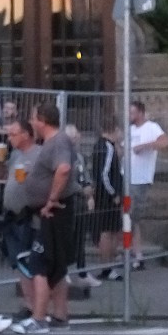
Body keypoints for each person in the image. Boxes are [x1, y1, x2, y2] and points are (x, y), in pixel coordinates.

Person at [11, 102, 78, 335]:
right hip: (52, 211)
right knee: (57, 264)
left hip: (54, 210)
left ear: (42, 120)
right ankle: (60, 316)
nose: (31, 122)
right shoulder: (52, 142)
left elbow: (63, 169)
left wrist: (51, 199)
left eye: (33, 118)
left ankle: (39, 318)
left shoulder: (58, 141)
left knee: (39, 263)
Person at [1, 118, 40, 316]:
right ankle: (28, 303)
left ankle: (36, 305)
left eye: (13, 134)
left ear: (26, 134)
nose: (9, 138)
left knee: (29, 260)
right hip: (13, 215)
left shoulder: (37, 155)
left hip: (28, 216)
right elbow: (6, 177)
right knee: (19, 261)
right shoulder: (16, 155)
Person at [129, 100, 168, 270]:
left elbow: (165, 142)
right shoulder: (130, 129)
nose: (130, 116)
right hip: (126, 178)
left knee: (131, 217)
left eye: (132, 112)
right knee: (127, 217)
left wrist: (145, 146)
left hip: (139, 180)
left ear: (140, 113)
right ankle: (132, 252)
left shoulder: (151, 127)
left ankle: (135, 253)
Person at [64, 124, 102, 289]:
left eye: (76, 137)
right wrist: (81, 189)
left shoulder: (79, 156)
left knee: (80, 239)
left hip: (80, 203)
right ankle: (62, 272)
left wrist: (90, 193)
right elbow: (66, 181)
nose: (75, 140)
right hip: (68, 201)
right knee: (66, 239)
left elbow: (86, 176)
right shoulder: (63, 156)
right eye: (72, 138)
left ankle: (83, 272)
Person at [91, 117, 124, 281]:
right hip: (108, 197)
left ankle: (109, 264)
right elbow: (104, 174)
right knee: (107, 231)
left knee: (112, 230)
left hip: (106, 195)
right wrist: (114, 193)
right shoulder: (107, 147)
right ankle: (107, 267)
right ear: (114, 130)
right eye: (119, 130)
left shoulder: (102, 146)